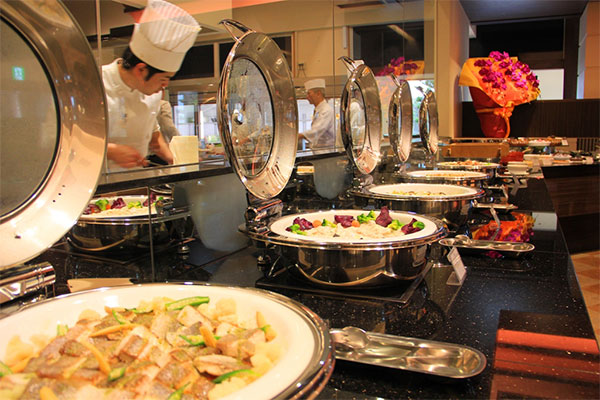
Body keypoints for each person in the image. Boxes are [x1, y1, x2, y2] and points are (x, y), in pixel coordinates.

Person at [102, 0, 200, 172]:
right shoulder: (97, 84)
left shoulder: (152, 95)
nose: (165, 86)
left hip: (139, 181)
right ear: (141, 70)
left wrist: (177, 163)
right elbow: (70, 139)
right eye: (163, 79)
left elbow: (154, 138)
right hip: (99, 183)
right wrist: (110, 151)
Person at [298, 78, 335, 150]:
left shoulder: (326, 110)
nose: (307, 97)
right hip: (318, 150)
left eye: (309, 93)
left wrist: (300, 135)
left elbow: (316, 130)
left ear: (318, 93)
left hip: (325, 152)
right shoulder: (318, 110)